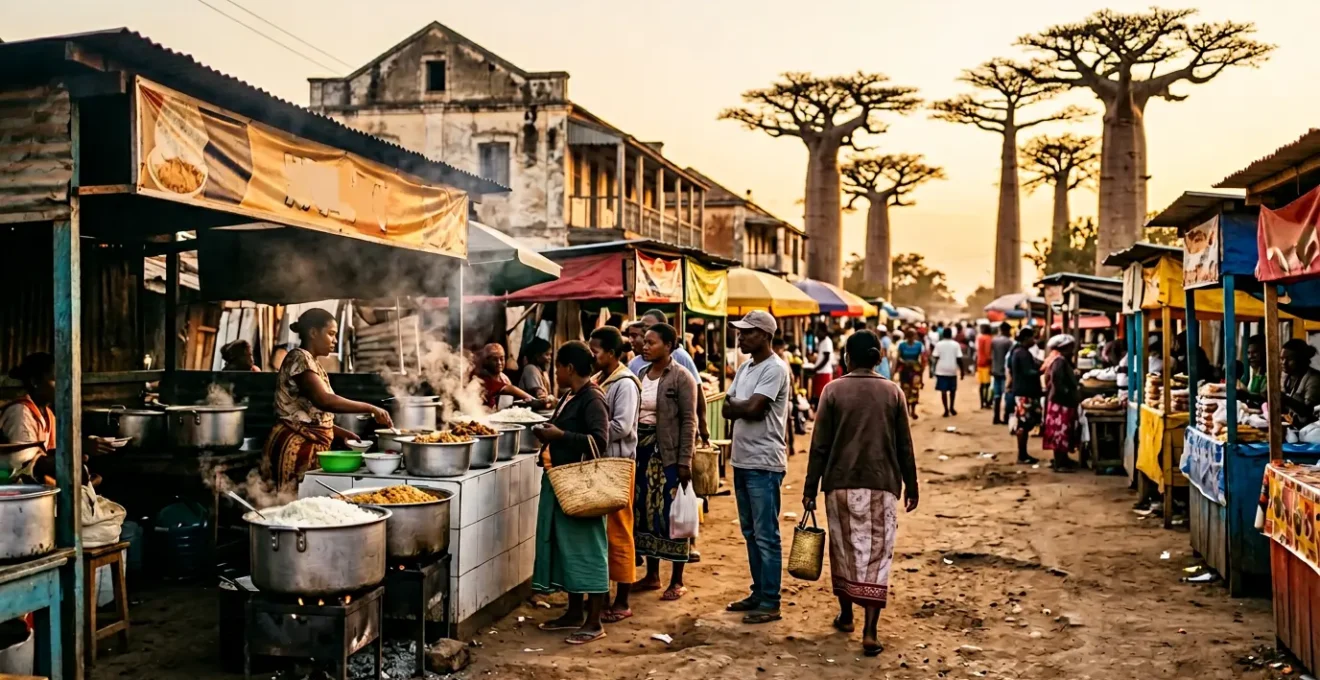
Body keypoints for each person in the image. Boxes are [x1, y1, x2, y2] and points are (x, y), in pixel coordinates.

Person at [804, 330, 918, 656]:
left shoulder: (832, 391)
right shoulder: (893, 392)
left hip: (838, 484)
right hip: (882, 484)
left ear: (846, 358)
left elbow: (819, 446)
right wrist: (912, 485)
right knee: (877, 557)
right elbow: (904, 446)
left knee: (843, 550)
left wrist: (810, 487)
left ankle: (845, 614)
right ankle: (870, 631)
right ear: (878, 358)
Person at [531, 341, 612, 645]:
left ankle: (594, 621)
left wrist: (560, 435)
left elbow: (599, 441)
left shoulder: (593, 398)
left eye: (558, 367)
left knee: (588, 550)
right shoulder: (570, 395)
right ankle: (574, 612)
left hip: (582, 487)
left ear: (569, 368)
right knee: (568, 549)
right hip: (561, 481)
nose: (556, 372)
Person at [262, 309, 392, 493]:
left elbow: (311, 414)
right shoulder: (299, 358)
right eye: (331, 334)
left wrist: (339, 433)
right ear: (313, 333)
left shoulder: (313, 363)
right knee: (292, 507)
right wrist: (371, 408)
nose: (335, 340)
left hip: (308, 444)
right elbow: (324, 400)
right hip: (294, 446)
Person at [722, 311, 792, 625]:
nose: (741, 337)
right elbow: (728, 408)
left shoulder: (775, 369)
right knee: (751, 533)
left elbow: (753, 408)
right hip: (742, 459)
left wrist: (741, 406)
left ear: (764, 335)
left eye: (747, 333)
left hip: (764, 463)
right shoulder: (745, 368)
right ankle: (759, 591)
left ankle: (770, 601)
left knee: (766, 535)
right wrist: (742, 406)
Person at [632, 323, 699, 600]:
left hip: (669, 456)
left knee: (671, 514)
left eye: (651, 342)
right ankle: (652, 575)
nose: (645, 346)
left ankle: (677, 580)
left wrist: (685, 460)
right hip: (642, 453)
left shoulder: (682, 378)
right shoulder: (640, 374)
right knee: (646, 515)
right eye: (644, 342)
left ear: (669, 345)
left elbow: (688, 420)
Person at [588, 327, 641, 624]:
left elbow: (622, 426)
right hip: (601, 462)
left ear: (610, 352)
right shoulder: (599, 380)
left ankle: (622, 599)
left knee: (620, 531)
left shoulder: (625, 383)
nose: (592, 355)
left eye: (595, 350)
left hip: (619, 464)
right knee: (602, 533)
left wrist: (590, 432)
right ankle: (602, 596)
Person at [1, 352, 113, 485]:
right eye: (55, 380)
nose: (63, 386)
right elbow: (26, 465)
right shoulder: (20, 412)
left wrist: (81, 450)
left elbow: (51, 453)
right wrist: (78, 449)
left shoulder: (48, 414)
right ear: (35, 382)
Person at [1043, 335, 1081, 471]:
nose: (1073, 350)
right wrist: (1067, 392)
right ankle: (1060, 464)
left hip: (1060, 401)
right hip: (1060, 403)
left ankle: (1063, 459)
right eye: (1070, 347)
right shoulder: (1059, 361)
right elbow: (1057, 381)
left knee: (1062, 432)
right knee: (1060, 432)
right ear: (1064, 348)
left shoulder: (1059, 359)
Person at [1007, 328, 1042, 465]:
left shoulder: (1018, 351)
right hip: (1024, 392)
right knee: (1023, 424)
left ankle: (1023, 453)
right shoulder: (1022, 353)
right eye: (1032, 338)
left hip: (1022, 391)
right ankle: (1022, 455)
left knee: (1025, 423)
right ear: (1026, 338)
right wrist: (1041, 371)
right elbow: (1028, 372)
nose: (1034, 340)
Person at [473, 343, 536, 410]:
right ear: (486, 361)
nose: (499, 362)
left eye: (501, 359)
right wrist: (535, 401)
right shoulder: (481, 378)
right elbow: (508, 389)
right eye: (494, 359)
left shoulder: (504, 378)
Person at [1282, 339, 1320, 424]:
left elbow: (1308, 411)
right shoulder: (1286, 377)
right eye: (1282, 359)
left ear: (1301, 359)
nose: (1284, 363)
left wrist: (1284, 398)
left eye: (1289, 359)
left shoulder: (1314, 379)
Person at [931, 328, 965, 417]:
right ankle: (952, 408)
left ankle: (945, 410)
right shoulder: (956, 344)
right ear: (951, 335)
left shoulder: (939, 344)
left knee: (943, 391)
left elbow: (935, 357)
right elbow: (959, 359)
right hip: (952, 369)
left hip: (941, 370)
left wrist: (932, 370)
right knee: (952, 391)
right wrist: (962, 371)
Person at [895, 329, 926, 419]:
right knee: (905, 390)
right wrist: (904, 362)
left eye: (913, 335)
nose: (912, 338)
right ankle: (906, 411)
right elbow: (898, 357)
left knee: (915, 390)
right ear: (907, 336)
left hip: (915, 370)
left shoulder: (919, 345)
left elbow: (922, 358)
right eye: (910, 336)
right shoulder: (902, 345)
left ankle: (913, 411)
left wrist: (921, 371)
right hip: (905, 370)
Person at [518, 338, 555, 404]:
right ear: (537, 355)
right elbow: (540, 396)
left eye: (550, 355)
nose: (550, 358)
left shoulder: (542, 371)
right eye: (547, 354)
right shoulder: (530, 369)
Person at [990, 323, 1014, 425]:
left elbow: (991, 355)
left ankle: (995, 417)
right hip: (1005, 372)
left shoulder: (994, 340)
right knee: (1007, 394)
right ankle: (1005, 417)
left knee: (997, 395)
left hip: (995, 370)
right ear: (1007, 330)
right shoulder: (1009, 342)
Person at [810, 323, 835, 406]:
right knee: (818, 396)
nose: (816, 333)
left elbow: (826, 359)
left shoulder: (827, 342)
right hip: (820, 372)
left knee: (822, 397)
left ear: (824, 332)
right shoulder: (822, 342)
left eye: (818, 331)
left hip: (824, 373)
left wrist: (816, 368)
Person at [975, 324, 994, 409]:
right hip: (986, 364)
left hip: (979, 363)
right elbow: (987, 352)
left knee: (982, 384)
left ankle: (982, 403)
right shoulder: (988, 338)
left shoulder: (979, 338)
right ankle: (986, 402)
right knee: (987, 384)